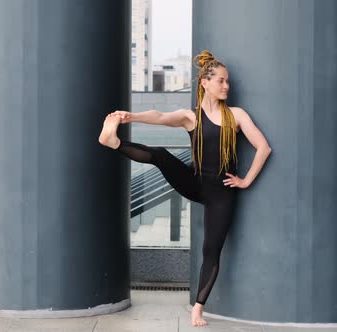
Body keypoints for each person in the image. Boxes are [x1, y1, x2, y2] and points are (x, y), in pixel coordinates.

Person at [98, 50, 272, 327]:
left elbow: (263, 147)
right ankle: (114, 142)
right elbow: (159, 116)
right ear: (205, 83)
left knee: (211, 250)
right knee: (160, 155)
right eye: (221, 81)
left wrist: (246, 180)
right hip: (194, 182)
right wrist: (131, 116)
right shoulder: (190, 117)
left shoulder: (236, 116)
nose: (226, 86)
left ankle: (198, 309)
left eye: (228, 82)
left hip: (222, 192)